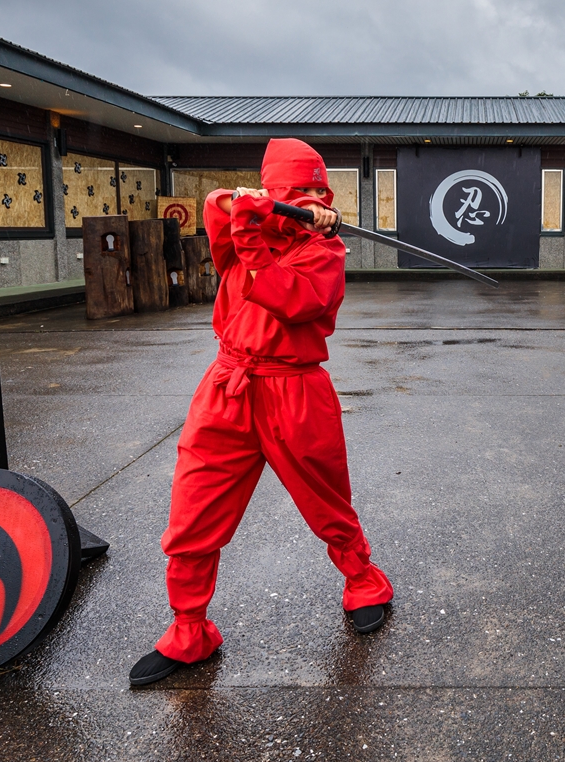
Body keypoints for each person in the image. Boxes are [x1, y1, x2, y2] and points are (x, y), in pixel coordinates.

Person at [131, 138, 394, 687]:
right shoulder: (239, 235)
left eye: (319, 191)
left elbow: (292, 300)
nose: (312, 199)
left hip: (295, 390)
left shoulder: (324, 253)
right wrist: (252, 209)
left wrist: (269, 225)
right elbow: (218, 204)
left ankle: (364, 580)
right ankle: (188, 628)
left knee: (326, 498)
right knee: (193, 511)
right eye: (298, 192)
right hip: (227, 387)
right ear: (275, 194)